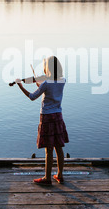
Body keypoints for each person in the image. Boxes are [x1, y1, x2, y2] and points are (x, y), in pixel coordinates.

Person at [15, 56, 69, 185]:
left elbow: (33, 97)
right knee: (59, 147)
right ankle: (60, 175)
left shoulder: (45, 83)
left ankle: (47, 178)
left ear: (47, 68)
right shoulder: (62, 80)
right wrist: (40, 85)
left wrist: (20, 85)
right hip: (58, 116)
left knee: (48, 150)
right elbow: (50, 88)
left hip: (47, 117)